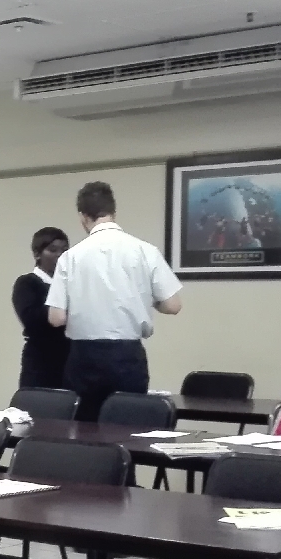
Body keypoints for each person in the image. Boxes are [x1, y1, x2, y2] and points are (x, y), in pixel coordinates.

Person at [46, 181, 182, 423]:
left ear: (82, 217)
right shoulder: (145, 250)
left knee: (82, 434)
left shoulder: (70, 257)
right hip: (127, 356)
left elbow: (56, 319)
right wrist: (145, 301)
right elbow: (173, 305)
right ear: (114, 212)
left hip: (83, 358)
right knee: (126, 432)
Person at [12, 226, 70, 390]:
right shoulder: (27, 283)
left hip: (71, 361)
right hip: (41, 362)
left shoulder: (71, 284)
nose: (60, 255)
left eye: (64, 251)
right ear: (37, 254)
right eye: (53, 250)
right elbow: (32, 319)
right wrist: (61, 310)